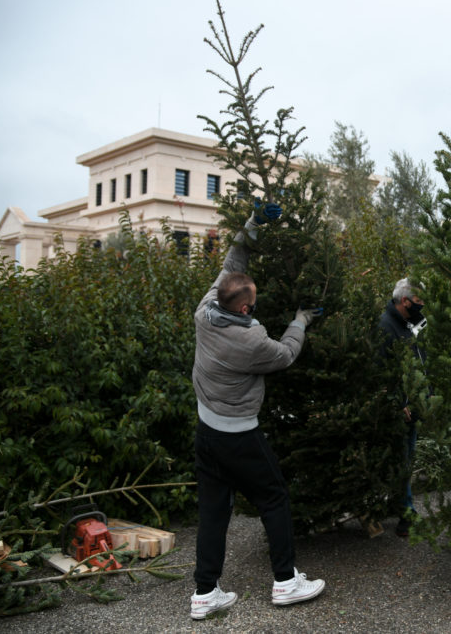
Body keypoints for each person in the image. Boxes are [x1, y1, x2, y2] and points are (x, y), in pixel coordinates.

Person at [189, 203, 325, 620]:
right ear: (245, 309)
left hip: (206, 430)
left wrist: (253, 224)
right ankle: (286, 581)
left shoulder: (206, 308)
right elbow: (284, 355)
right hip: (237, 435)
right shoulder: (250, 342)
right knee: (274, 497)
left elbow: (233, 261)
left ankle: (204, 593)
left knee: (213, 510)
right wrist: (300, 320)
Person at [377, 277, 427, 537]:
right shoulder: (386, 327)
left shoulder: (409, 324)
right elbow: (382, 371)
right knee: (402, 461)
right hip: (401, 408)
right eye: (418, 301)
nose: (422, 305)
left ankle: (401, 506)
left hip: (414, 402)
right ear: (405, 301)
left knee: (407, 457)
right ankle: (405, 515)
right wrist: (398, 403)